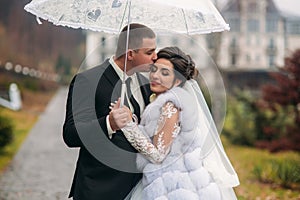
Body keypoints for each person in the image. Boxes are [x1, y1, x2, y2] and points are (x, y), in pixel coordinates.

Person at [111, 46, 240, 199]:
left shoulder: (171, 105)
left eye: (164, 73)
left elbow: (157, 154)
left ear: (177, 80)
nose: (155, 76)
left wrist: (128, 126)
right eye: (154, 69)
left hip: (174, 186)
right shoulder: (168, 102)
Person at [62, 23, 157, 200]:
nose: (155, 57)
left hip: (138, 189)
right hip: (99, 188)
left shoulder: (145, 85)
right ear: (130, 54)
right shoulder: (87, 81)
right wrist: (108, 123)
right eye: (149, 52)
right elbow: (70, 134)